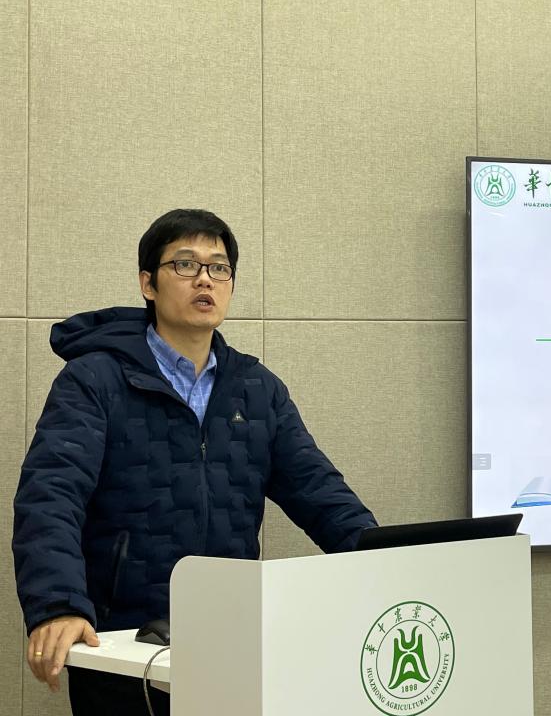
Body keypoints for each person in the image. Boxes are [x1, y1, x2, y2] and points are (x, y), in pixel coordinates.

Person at [12, 209, 376, 715]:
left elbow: (320, 491)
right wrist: (58, 605)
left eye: (219, 267)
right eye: (185, 264)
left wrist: (386, 565)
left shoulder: (256, 389)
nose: (205, 279)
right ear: (148, 283)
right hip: (121, 644)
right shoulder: (94, 380)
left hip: (229, 637)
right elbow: (51, 495)